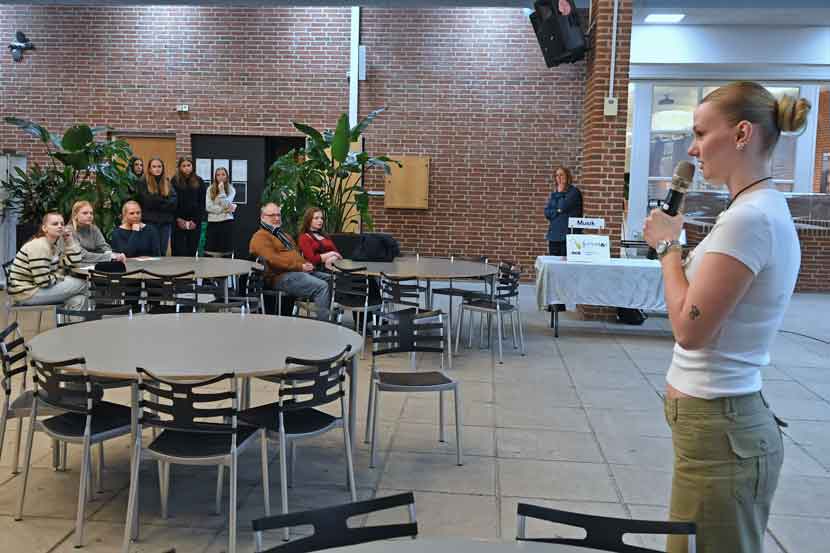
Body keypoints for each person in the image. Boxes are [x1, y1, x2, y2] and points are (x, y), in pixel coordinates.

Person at [643, 81, 810, 553]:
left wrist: (668, 246)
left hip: (722, 432)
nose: (692, 150)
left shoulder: (749, 218)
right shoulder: (752, 209)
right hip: (716, 429)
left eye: (700, 133)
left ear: (741, 134)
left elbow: (690, 329)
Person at [249, 202, 330, 320]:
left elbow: (295, 255)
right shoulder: (260, 236)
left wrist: (305, 264)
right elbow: (272, 260)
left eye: (278, 215)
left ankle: (328, 314)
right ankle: (325, 326)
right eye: (272, 215)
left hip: (296, 271)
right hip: (280, 276)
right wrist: (300, 266)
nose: (276, 218)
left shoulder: (284, 236)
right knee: (321, 286)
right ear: (263, 217)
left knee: (331, 279)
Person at [7, 212, 88, 310]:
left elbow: (73, 263)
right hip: (26, 293)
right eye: (55, 224)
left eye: (62, 224)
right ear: (44, 228)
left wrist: (69, 240)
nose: (60, 226)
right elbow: (43, 282)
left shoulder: (53, 245)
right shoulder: (40, 245)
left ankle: (72, 324)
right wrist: (60, 276)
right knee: (84, 283)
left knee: (78, 299)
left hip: (34, 289)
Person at [136, 157, 177, 255]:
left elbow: (174, 202)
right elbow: (148, 201)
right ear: (149, 169)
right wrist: (164, 201)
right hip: (150, 222)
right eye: (154, 166)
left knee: (162, 251)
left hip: (165, 223)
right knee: (152, 252)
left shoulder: (167, 182)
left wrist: (158, 201)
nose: (157, 169)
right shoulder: (143, 182)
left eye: (159, 166)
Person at [69, 200, 127, 264]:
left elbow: (103, 246)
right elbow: (82, 255)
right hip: (74, 268)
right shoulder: (69, 232)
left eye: (91, 213)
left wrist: (113, 255)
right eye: (85, 213)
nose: (89, 216)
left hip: (92, 265)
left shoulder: (94, 229)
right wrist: (109, 257)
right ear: (75, 215)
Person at [171, 156, 207, 257]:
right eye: (184, 166)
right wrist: (178, 219)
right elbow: (172, 203)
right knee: (179, 251)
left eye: (189, 165)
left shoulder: (199, 181)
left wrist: (195, 221)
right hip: (178, 222)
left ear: (192, 167)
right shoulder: (174, 181)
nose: (186, 168)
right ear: (179, 167)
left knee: (191, 251)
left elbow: (202, 203)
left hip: (194, 223)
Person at [544, 165, 583, 256]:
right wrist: (556, 211)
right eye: (557, 176)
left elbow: (562, 207)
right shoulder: (555, 193)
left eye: (561, 175)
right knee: (553, 266)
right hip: (554, 236)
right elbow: (547, 213)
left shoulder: (573, 192)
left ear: (567, 176)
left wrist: (560, 193)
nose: (559, 178)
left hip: (567, 237)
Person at [205, 167, 237, 253]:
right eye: (218, 175)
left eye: (223, 174)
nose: (220, 177)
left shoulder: (231, 189)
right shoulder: (210, 189)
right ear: (215, 177)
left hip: (226, 221)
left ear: (227, 176)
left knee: (225, 251)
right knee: (210, 250)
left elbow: (226, 204)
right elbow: (208, 207)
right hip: (212, 222)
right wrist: (224, 209)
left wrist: (222, 190)